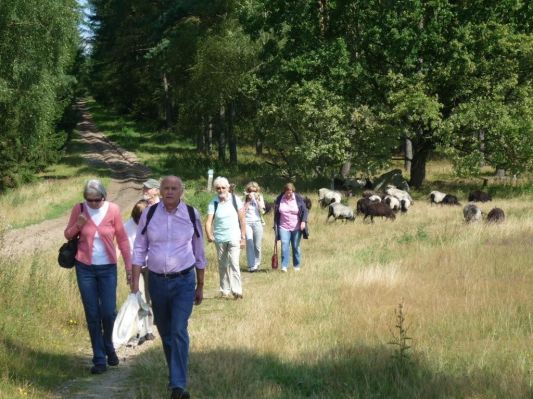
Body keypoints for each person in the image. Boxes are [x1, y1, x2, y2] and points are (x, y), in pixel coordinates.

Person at [131, 176, 206, 399]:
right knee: (165, 331)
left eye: (174, 188)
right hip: (156, 281)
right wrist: (135, 283)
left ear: (181, 191)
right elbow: (139, 248)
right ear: (160, 191)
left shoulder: (192, 214)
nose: (170, 192)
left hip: (184, 281)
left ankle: (178, 386)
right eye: (166, 188)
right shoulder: (149, 213)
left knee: (178, 329)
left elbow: (199, 251)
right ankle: (176, 375)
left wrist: (200, 284)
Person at [64, 179, 132, 375]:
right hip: (85, 268)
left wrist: (128, 267)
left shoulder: (113, 210)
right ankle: (99, 358)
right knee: (92, 315)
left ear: (104, 196)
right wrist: (78, 225)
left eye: (97, 200)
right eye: (89, 200)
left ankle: (108, 345)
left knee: (108, 312)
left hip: (107, 268)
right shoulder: (79, 209)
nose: (93, 203)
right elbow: (68, 235)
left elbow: (123, 240)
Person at [205, 176, 246, 299]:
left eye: (223, 187)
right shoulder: (213, 203)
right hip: (220, 238)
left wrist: (243, 237)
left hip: (234, 237)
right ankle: (225, 290)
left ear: (228, 188)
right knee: (223, 265)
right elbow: (208, 222)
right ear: (215, 189)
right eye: (218, 188)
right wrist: (209, 235)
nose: (221, 190)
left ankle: (237, 290)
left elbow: (242, 219)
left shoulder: (236, 200)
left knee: (234, 263)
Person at [123, 199, 155, 344]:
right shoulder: (127, 227)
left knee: (149, 299)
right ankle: (140, 331)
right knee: (138, 297)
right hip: (134, 266)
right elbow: (126, 249)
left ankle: (149, 330)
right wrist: (128, 270)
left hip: (150, 265)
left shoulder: (153, 224)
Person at [274, 182, 309, 272]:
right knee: (284, 245)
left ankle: (296, 265)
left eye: (290, 192)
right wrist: (275, 225)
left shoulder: (298, 198)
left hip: (296, 227)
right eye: (287, 192)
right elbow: (276, 211)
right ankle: (284, 266)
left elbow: (305, 210)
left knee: (295, 246)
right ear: (284, 191)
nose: (288, 194)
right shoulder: (280, 198)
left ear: (293, 191)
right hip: (283, 226)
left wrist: (303, 222)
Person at [243, 181, 266, 272]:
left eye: (254, 191)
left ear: (257, 191)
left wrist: (256, 199)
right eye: (250, 191)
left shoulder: (260, 197)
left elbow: (263, 210)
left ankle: (257, 263)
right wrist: (248, 200)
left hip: (257, 222)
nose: (252, 193)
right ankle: (251, 265)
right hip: (247, 222)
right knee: (249, 243)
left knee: (257, 245)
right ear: (247, 191)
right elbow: (242, 211)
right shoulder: (244, 198)